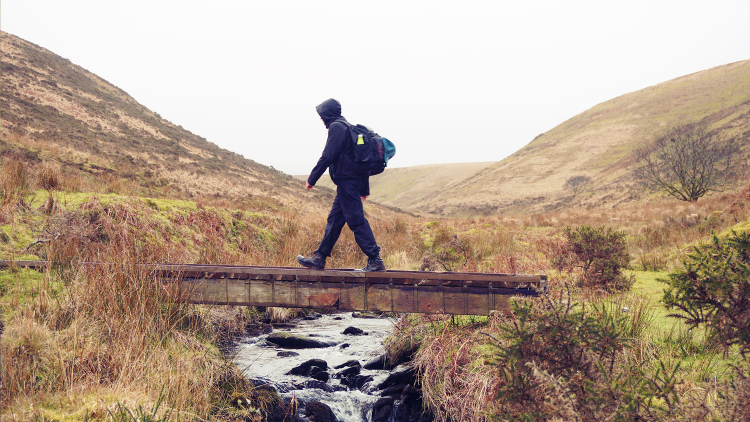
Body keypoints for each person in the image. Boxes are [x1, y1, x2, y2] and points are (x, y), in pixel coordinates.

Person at [296, 98, 386, 272]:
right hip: (349, 182)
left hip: (347, 182)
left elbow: (328, 155)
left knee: (356, 221)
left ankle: (375, 260)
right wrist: (364, 188)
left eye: (322, 115)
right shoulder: (348, 127)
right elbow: (361, 162)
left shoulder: (337, 127)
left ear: (328, 114)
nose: (321, 119)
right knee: (335, 220)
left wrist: (312, 178)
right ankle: (319, 258)